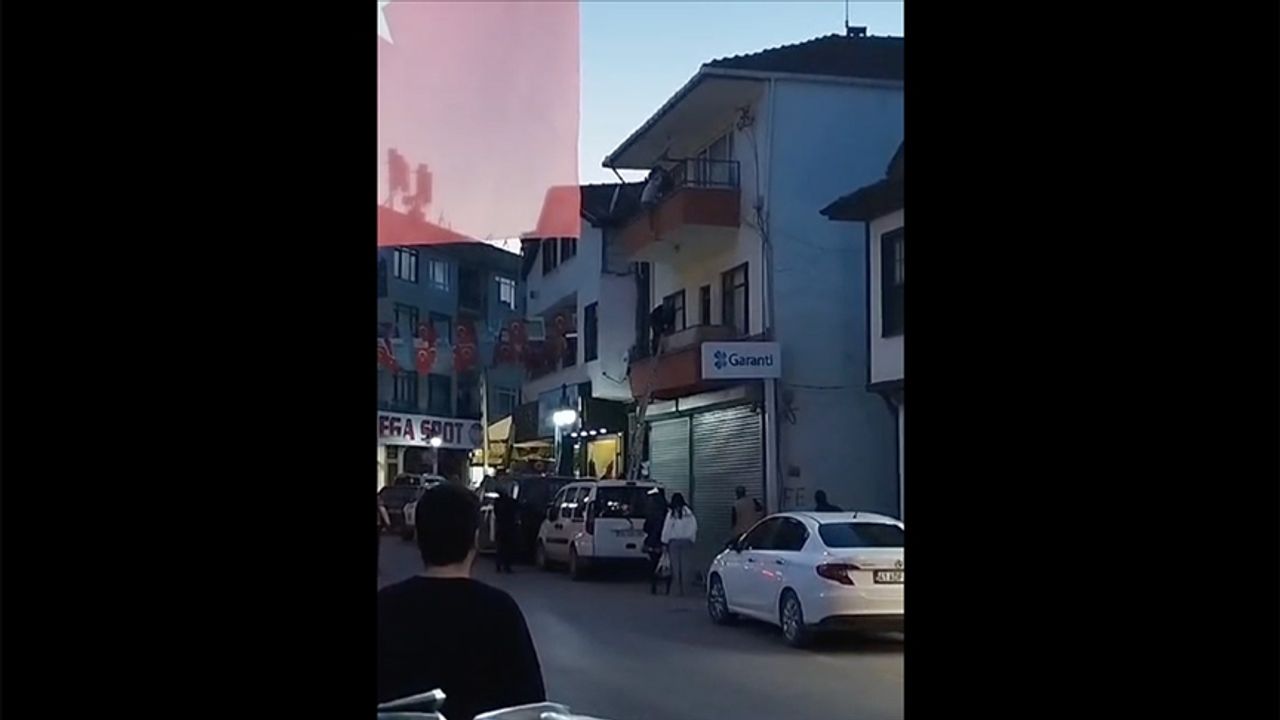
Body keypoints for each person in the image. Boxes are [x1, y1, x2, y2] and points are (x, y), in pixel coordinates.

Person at [377, 484, 545, 720]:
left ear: (420, 536)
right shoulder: (499, 612)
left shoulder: (385, 606)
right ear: (475, 539)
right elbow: (531, 706)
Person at [660, 492, 698, 596]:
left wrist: (664, 542)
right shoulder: (689, 513)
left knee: (675, 567)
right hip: (687, 542)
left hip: (674, 543)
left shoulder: (672, 514)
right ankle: (685, 589)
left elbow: (667, 528)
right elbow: (694, 527)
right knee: (685, 566)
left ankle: (677, 589)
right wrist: (692, 539)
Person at [642, 487, 668, 595]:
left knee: (653, 563)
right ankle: (667, 586)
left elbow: (646, 527)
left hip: (652, 541)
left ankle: (654, 584)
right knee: (665, 563)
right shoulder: (666, 512)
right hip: (663, 540)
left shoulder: (651, 511)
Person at [492, 487, 519, 574]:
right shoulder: (510, 501)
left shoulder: (497, 502)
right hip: (508, 527)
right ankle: (506, 566)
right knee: (507, 547)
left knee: (500, 547)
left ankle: (499, 565)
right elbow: (516, 509)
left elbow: (496, 513)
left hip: (500, 526)